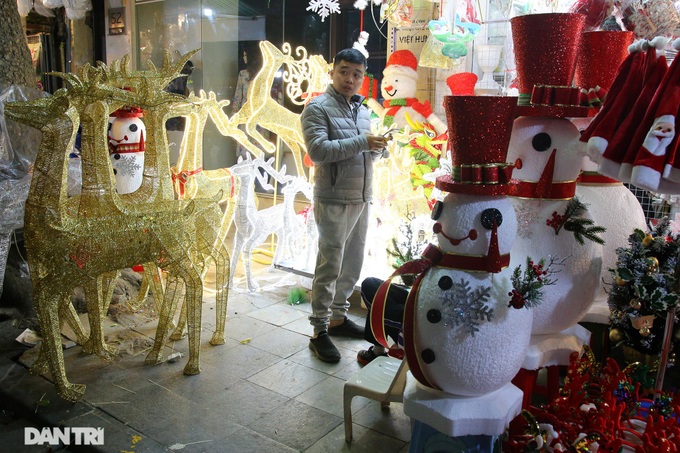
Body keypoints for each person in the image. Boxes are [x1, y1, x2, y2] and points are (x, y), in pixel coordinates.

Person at [301, 48, 390, 363]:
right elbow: (319, 151)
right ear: (332, 72)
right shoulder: (317, 108)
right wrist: (364, 143)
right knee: (329, 266)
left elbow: (361, 153)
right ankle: (319, 330)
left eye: (357, 74)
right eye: (344, 71)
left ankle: (338, 318)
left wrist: (378, 149)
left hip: (361, 197)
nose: (350, 79)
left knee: (351, 264)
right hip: (333, 198)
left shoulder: (363, 110)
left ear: (363, 77)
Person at [357, 277, 408, 365]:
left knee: (371, 289)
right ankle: (379, 349)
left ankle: (380, 350)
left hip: (417, 320)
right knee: (375, 285)